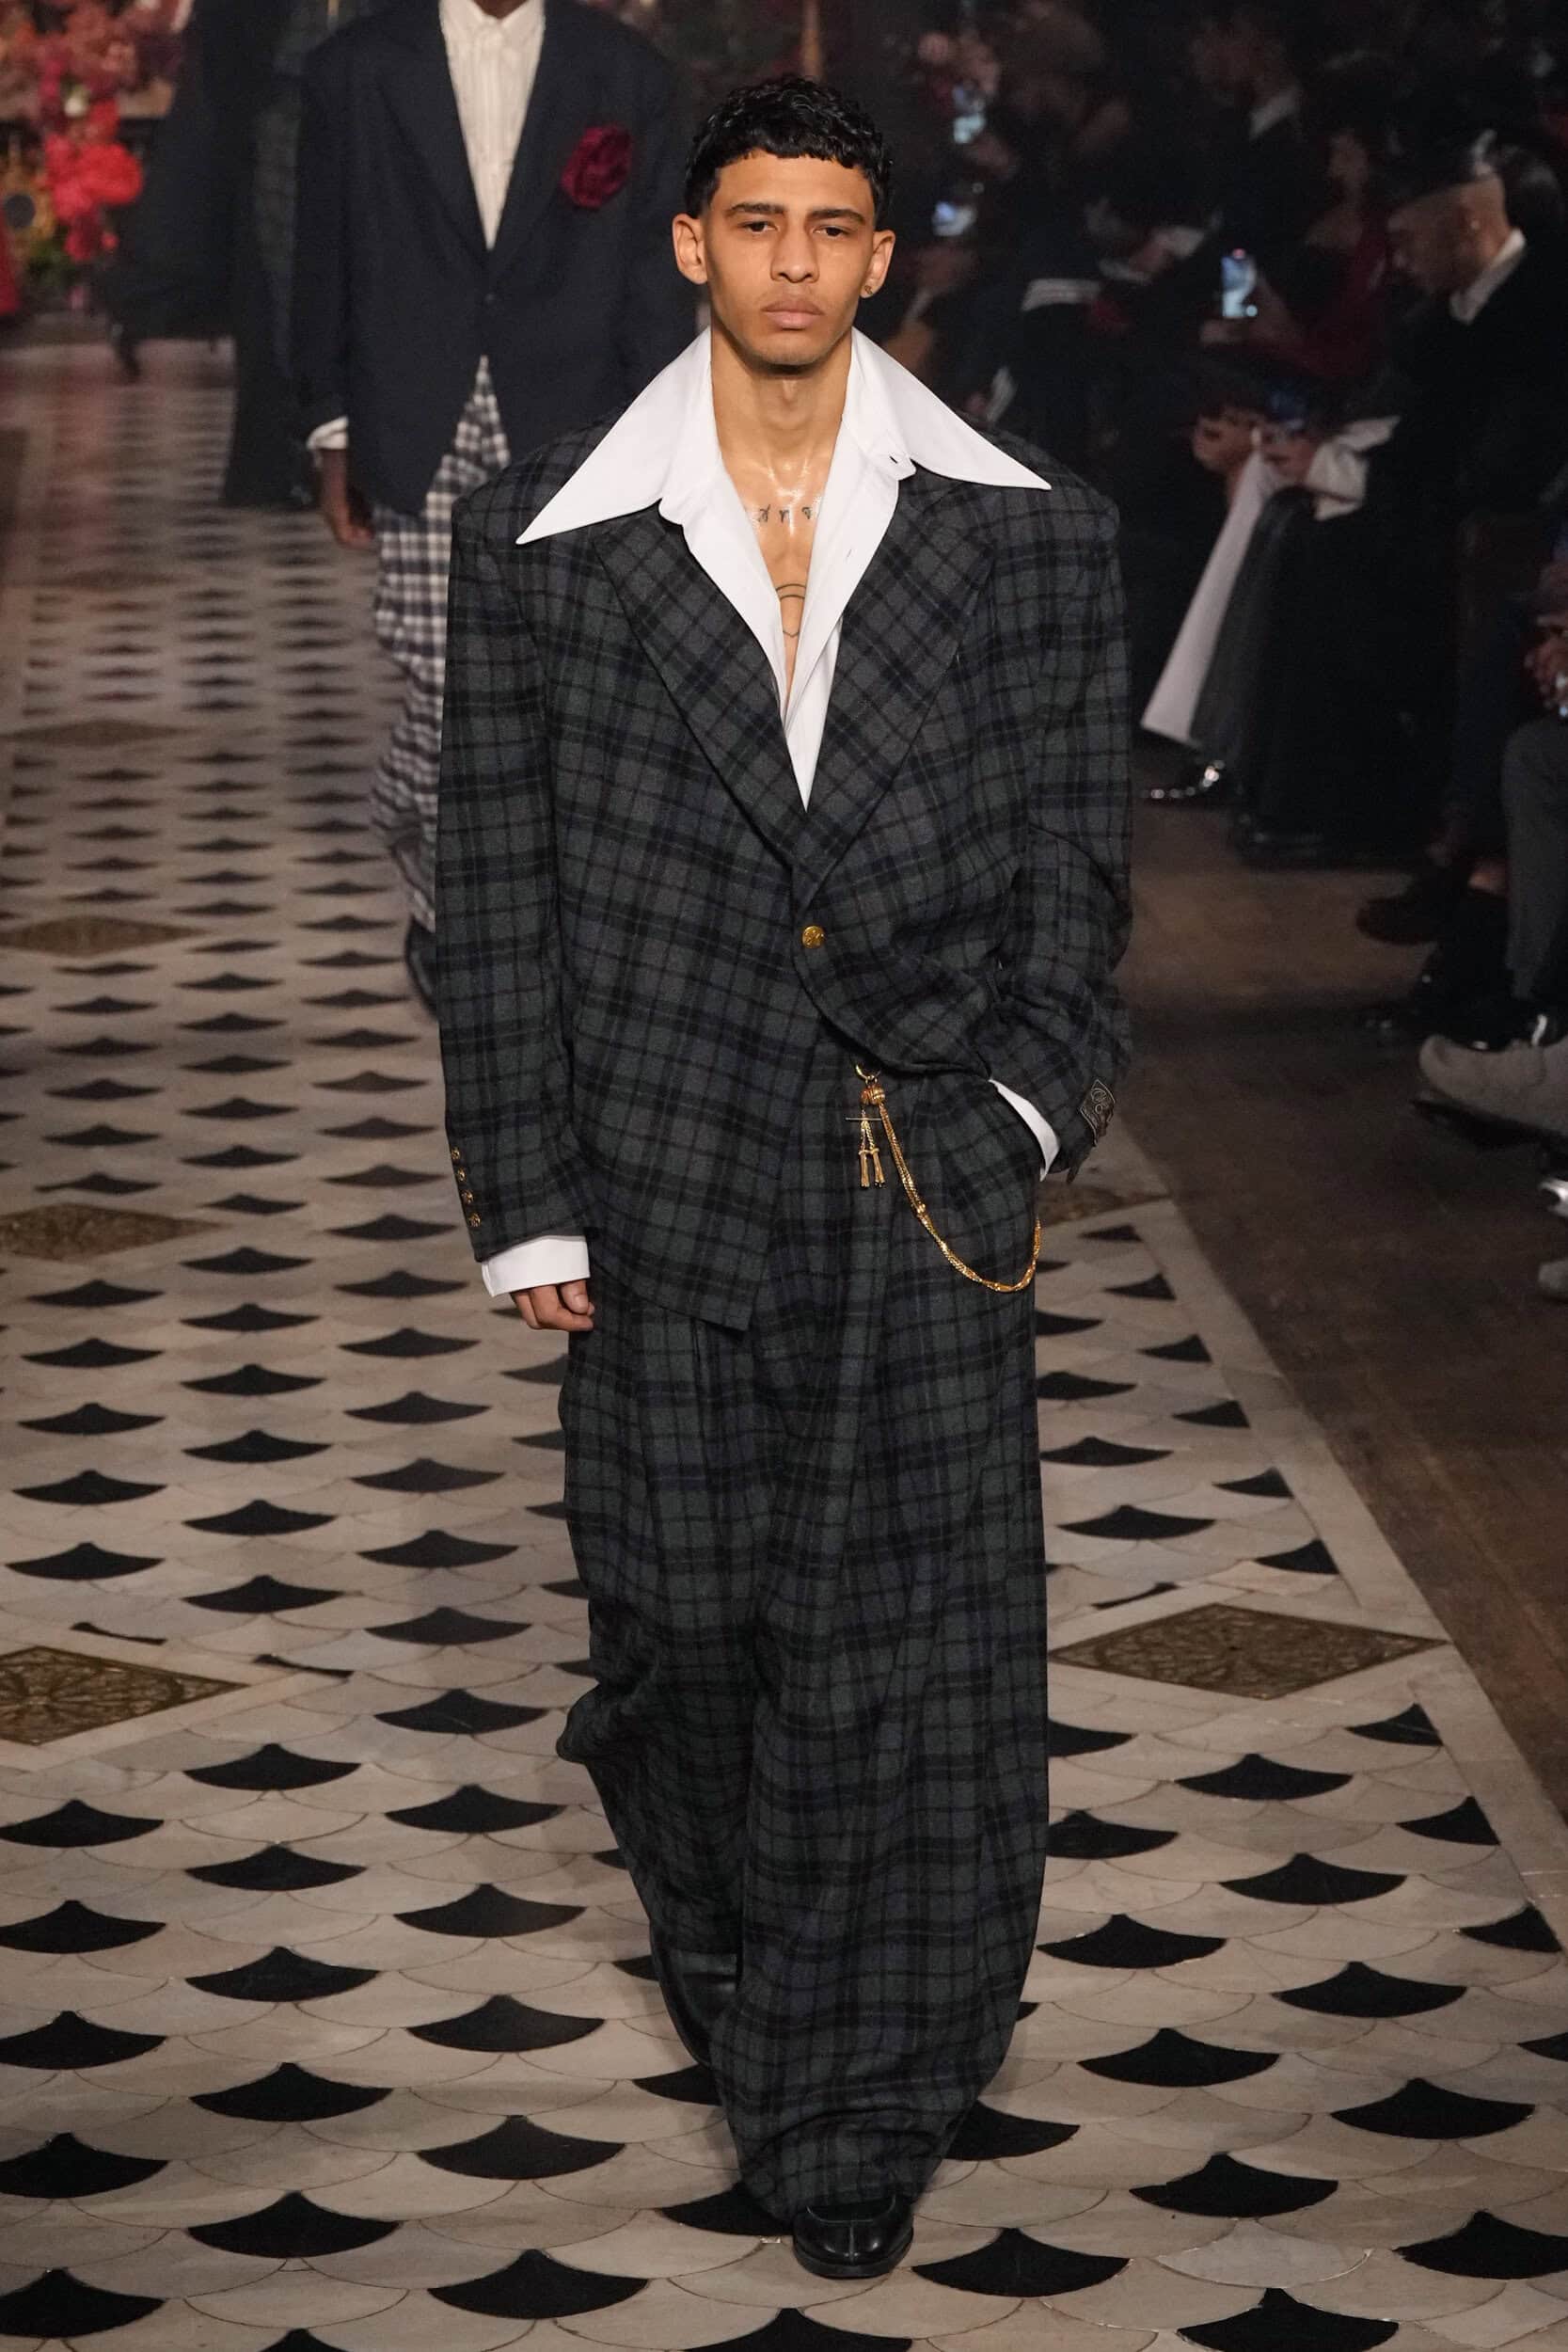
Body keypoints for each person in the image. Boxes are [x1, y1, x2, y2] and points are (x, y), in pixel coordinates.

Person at [436, 75, 1131, 2283]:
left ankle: (855, 2101)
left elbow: (1077, 876)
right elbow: (496, 888)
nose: (797, 263)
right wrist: (527, 1194)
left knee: (906, 1648)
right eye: (759, 223)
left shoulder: (1030, 534)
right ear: (691, 244)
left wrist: (1021, 1110)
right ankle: (768, 2004)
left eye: (835, 227)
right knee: (679, 1635)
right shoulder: (546, 536)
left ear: (880, 254)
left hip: (921, 1165)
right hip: (659, 1164)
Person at [292, 0, 692, 1009]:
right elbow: (321, 253)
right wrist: (332, 430)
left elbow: (654, 275)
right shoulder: (358, 68)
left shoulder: (625, 73)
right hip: (409, 404)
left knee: (563, 688)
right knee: (443, 679)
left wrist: (666, 436)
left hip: (576, 415)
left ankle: (484, 890)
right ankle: (455, 910)